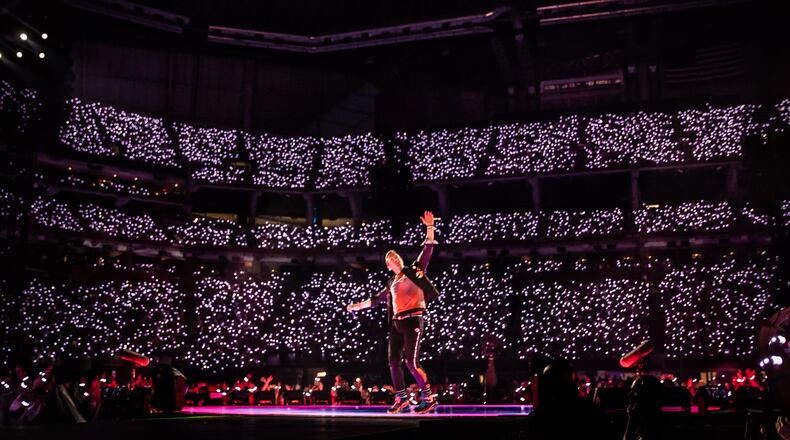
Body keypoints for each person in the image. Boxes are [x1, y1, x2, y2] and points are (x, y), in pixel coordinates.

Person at [346, 210, 439, 414]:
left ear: (399, 260)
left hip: (413, 320)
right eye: (389, 258)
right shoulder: (391, 283)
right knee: (393, 361)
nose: (393, 258)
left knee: (411, 362)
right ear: (388, 265)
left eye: (394, 255)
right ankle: (402, 399)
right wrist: (355, 306)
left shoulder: (413, 271)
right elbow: (374, 301)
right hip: (397, 324)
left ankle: (428, 397)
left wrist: (430, 228)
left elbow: (427, 251)